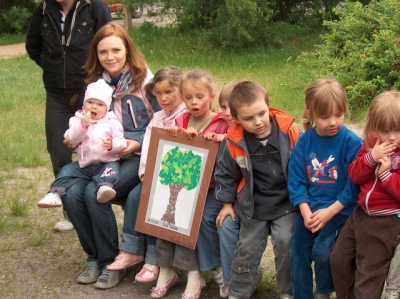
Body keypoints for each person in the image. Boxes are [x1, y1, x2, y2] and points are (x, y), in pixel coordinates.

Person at [61, 22, 160, 290]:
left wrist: (133, 143)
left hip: (139, 156)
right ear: (97, 55)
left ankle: (112, 262)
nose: (110, 57)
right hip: (105, 157)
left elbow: (164, 123)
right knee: (71, 193)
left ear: (127, 50)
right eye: (103, 52)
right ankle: (96, 258)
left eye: (116, 50)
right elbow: (85, 124)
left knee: (96, 190)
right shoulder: (97, 87)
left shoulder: (146, 83)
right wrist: (75, 137)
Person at [25, 0, 112, 231]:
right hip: (56, 95)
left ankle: (98, 206)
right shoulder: (42, 10)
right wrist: (52, 66)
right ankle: (69, 212)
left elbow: (110, 41)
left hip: (89, 92)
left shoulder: (95, 8)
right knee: (59, 151)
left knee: (97, 151)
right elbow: (33, 46)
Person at [214, 81, 300, 299]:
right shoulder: (233, 142)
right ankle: (238, 291)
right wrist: (226, 204)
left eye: (261, 113)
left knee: (286, 242)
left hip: (287, 201)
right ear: (236, 119)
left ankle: (287, 290)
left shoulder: (288, 130)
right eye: (248, 118)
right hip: (254, 204)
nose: (258, 122)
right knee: (247, 249)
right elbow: (225, 173)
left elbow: (303, 162)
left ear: (268, 106)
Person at [150, 69, 229, 299]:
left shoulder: (221, 123)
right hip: (183, 185)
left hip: (212, 187)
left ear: (211, 96)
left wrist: (216, 141)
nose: (194, 102)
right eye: (188, 98)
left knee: (194, 216)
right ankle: (166, 269)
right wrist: (175, 133)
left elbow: (228, 156)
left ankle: (202, 272)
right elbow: (171, 149)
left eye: (199, 97)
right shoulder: (181, 119)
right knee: (164, 211)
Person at [106, 66, 188, 284]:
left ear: (181, 90)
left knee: (148, 198)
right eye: (159, 93)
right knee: (136, 195)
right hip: (155, 175)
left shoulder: (186, 115)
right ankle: (132, 249)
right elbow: (149, 147)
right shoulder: (158, 117)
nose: (163, 98)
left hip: (177, 181)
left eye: (169, 91)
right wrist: (144, 173)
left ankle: (154, 259)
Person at [288, 78, 362, 299]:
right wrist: (305, 212)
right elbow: (296, 179)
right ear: (310, 115)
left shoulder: (352, 143)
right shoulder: (304, 142)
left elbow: (353, 187)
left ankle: (323, 293)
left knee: (323, 252)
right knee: (297, 250)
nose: (333, 122)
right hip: (310, 211)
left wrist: (329, 212)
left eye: (338, 115)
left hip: (340, 212)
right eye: (325, 116)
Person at [330, 91, 400, 299]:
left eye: (398, 130)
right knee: (339, 260)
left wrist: (386, 175)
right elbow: (355, 175)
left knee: (368, 275)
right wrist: (371, 158)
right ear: (374, 128)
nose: (392, 137)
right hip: (360, 215)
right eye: (385, 130)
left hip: (385, 221)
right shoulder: (372, 144)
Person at [37, 79, 127, 208]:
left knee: (112, 171)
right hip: (84, 165)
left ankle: (104, 187)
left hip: (106, 162)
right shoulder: (76, 120)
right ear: (84, 105)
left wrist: (113, 144)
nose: (94, 106)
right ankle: (55, 193)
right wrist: (82, 126)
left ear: (106, 109)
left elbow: (122, 143)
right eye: (90, 102)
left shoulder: (112, 122)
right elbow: (70, 138)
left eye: (100, 104)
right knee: (66, 170)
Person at [204, 79, 243, 298]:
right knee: (207, 218)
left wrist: (225, 139)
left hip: (245, 196)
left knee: (226, 225)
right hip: (225, 193)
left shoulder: (246, 128)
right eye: (224, 107)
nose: (227, 112)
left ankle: (235, 279)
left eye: (231, 107)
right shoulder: (222, 125)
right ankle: (219, 271)